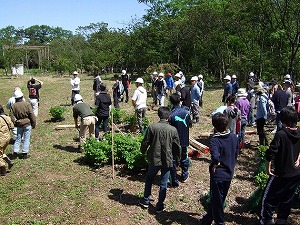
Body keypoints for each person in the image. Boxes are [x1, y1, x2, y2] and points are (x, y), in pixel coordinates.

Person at [260, 107, 300, 225]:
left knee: (268, 199)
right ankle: (282, 220)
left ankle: (266, 220)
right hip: (296, 173)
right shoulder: (299, 132)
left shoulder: (281, 134)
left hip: (281, 173)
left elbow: (270, 153)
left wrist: (268, 169)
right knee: (287, 199)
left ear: (283, 120)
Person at [139, 106, 181, 212]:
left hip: (154, 158)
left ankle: (146, 200)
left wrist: (142, 151)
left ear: (159, 115)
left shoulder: (152, 127)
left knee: (149, 178)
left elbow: (145, 142)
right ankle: (160, 204)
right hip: (167, 159)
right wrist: (178, 160)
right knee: (163, 183)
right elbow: (177, 147)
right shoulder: (173, 129)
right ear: (169, 116)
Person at [200, 112, 239, 225]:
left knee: (217, 201)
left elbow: (215, 156)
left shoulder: (214, 140)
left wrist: (215, 164)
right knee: (220, 199)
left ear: (214, 125)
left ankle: (220, 222)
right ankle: (207, 219)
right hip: (229, 173)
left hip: (218, 175)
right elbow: (236, 152)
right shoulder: (233, 137)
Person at [169, 93, 191, 186]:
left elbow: (169, 129)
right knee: (184, 156)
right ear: (180, 101)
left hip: (174, 141)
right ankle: (184, 175)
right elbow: (189, 124)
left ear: (171, 102)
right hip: (184, 139)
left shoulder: (171, 115)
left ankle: (174, 179)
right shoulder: (186, 112)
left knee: (173, 159)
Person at [9, 89, 36, 159]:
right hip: (27, 124)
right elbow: (31, 114)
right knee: (26, 139)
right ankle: (24, 153)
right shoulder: (27, 104)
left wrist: (15, 123)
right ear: (22, 96)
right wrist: (33, 123)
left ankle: (15, 152)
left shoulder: (13, 106)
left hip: (19, 124)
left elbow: (11, 116)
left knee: (18, 138)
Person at [0, 105, 14, 176]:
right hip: (7, 138)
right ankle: (9, 161)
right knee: (1, 152)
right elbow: (12, 126)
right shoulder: (7, 117)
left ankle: (3, 171)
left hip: (1, 139)